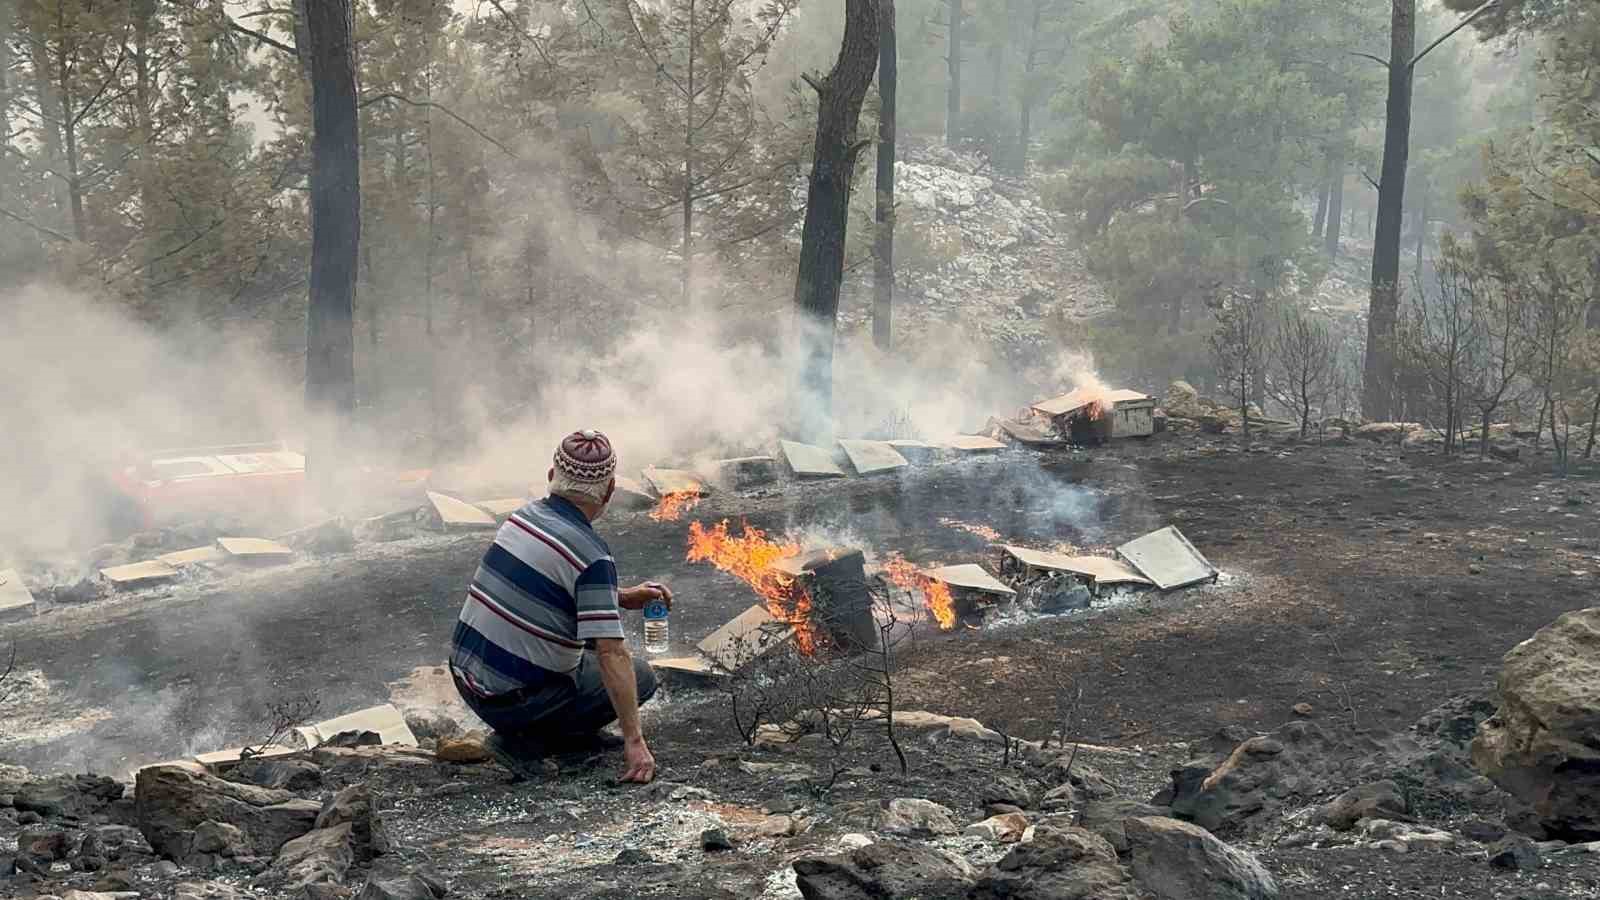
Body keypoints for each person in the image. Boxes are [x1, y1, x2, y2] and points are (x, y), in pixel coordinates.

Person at [448, 429, 671, 783]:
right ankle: (525, 742)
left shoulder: (521, 518)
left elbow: (552, 586)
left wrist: (622, 597)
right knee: (640, 676)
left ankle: (562, 731)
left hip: (467, 679)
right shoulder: (591, 554)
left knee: (583, 661)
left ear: (552, 476)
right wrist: (635, 741)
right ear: (610, 489)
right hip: (512, 702)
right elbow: (612, 654)